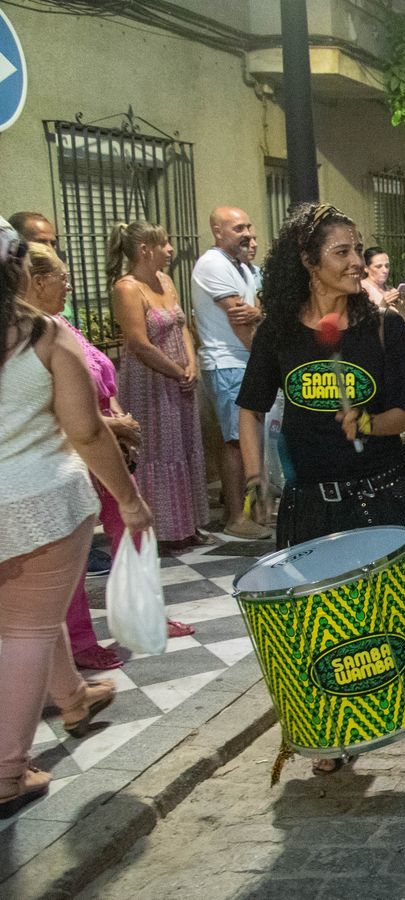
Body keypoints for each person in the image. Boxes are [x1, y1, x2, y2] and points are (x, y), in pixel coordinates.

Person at [237, 203, 405, 772]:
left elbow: (403, 414)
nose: (357, 262)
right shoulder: (278, 333)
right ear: (308, 262)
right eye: (342, 252)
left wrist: (367, 422)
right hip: (311, 499)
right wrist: (257, 478)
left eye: (359, 250)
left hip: (381, 491)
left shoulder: (382, 328)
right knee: (322, 619)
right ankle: (335, 727)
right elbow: (250, 410)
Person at [1, 220, 152, 817]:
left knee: (27, 615)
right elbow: (86, 429)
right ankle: (8, 772)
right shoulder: (43, 335)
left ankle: (72, 695)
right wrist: (131, 500)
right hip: (40, 501)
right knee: (26, 628)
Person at [22, 242, 189, 669]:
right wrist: (112, 425)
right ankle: (79, 641)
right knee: (73, 551)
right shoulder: (30, 336)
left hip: (104, 444)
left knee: (134, 526)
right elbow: (50, 409)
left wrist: (116, 414)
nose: (70, 283)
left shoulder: (62, 324)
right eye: (62, 276)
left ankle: (143, 612)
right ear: (37, 281)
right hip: (69, 452)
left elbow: (98, 376)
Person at [108, 221, 210, 554]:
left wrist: (191, 364)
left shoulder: (165, 280)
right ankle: (163, 529)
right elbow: (139, 343)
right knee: (160, 451)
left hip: (179, 378)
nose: (170, 250)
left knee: (184, 446)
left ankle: (188, 523)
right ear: (144, 250)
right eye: (164, 244)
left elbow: (181, 326)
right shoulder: (127, 288)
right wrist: (175, 370)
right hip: (151, 382)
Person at [191, 206, 272, 540]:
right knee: (235, 441)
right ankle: (235, 516)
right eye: (238, 228)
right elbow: (241, 319)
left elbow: (260, 308)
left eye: (249, 226)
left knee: (249, 438)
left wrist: (258, 313)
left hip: (244, 360)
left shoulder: (242, 267)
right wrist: (266, 357)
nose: (247, 234)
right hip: (228, 362)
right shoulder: (213, 264)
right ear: (217, 231)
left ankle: (254, 509)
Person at [361, 246, 403, 310]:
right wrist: (383, 305)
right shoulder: (361, 289)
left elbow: (404, 318)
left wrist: (400, 306)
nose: (385, 271)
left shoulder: (391, 290)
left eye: (387, 266)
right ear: (366, 268)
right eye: (378, 266)